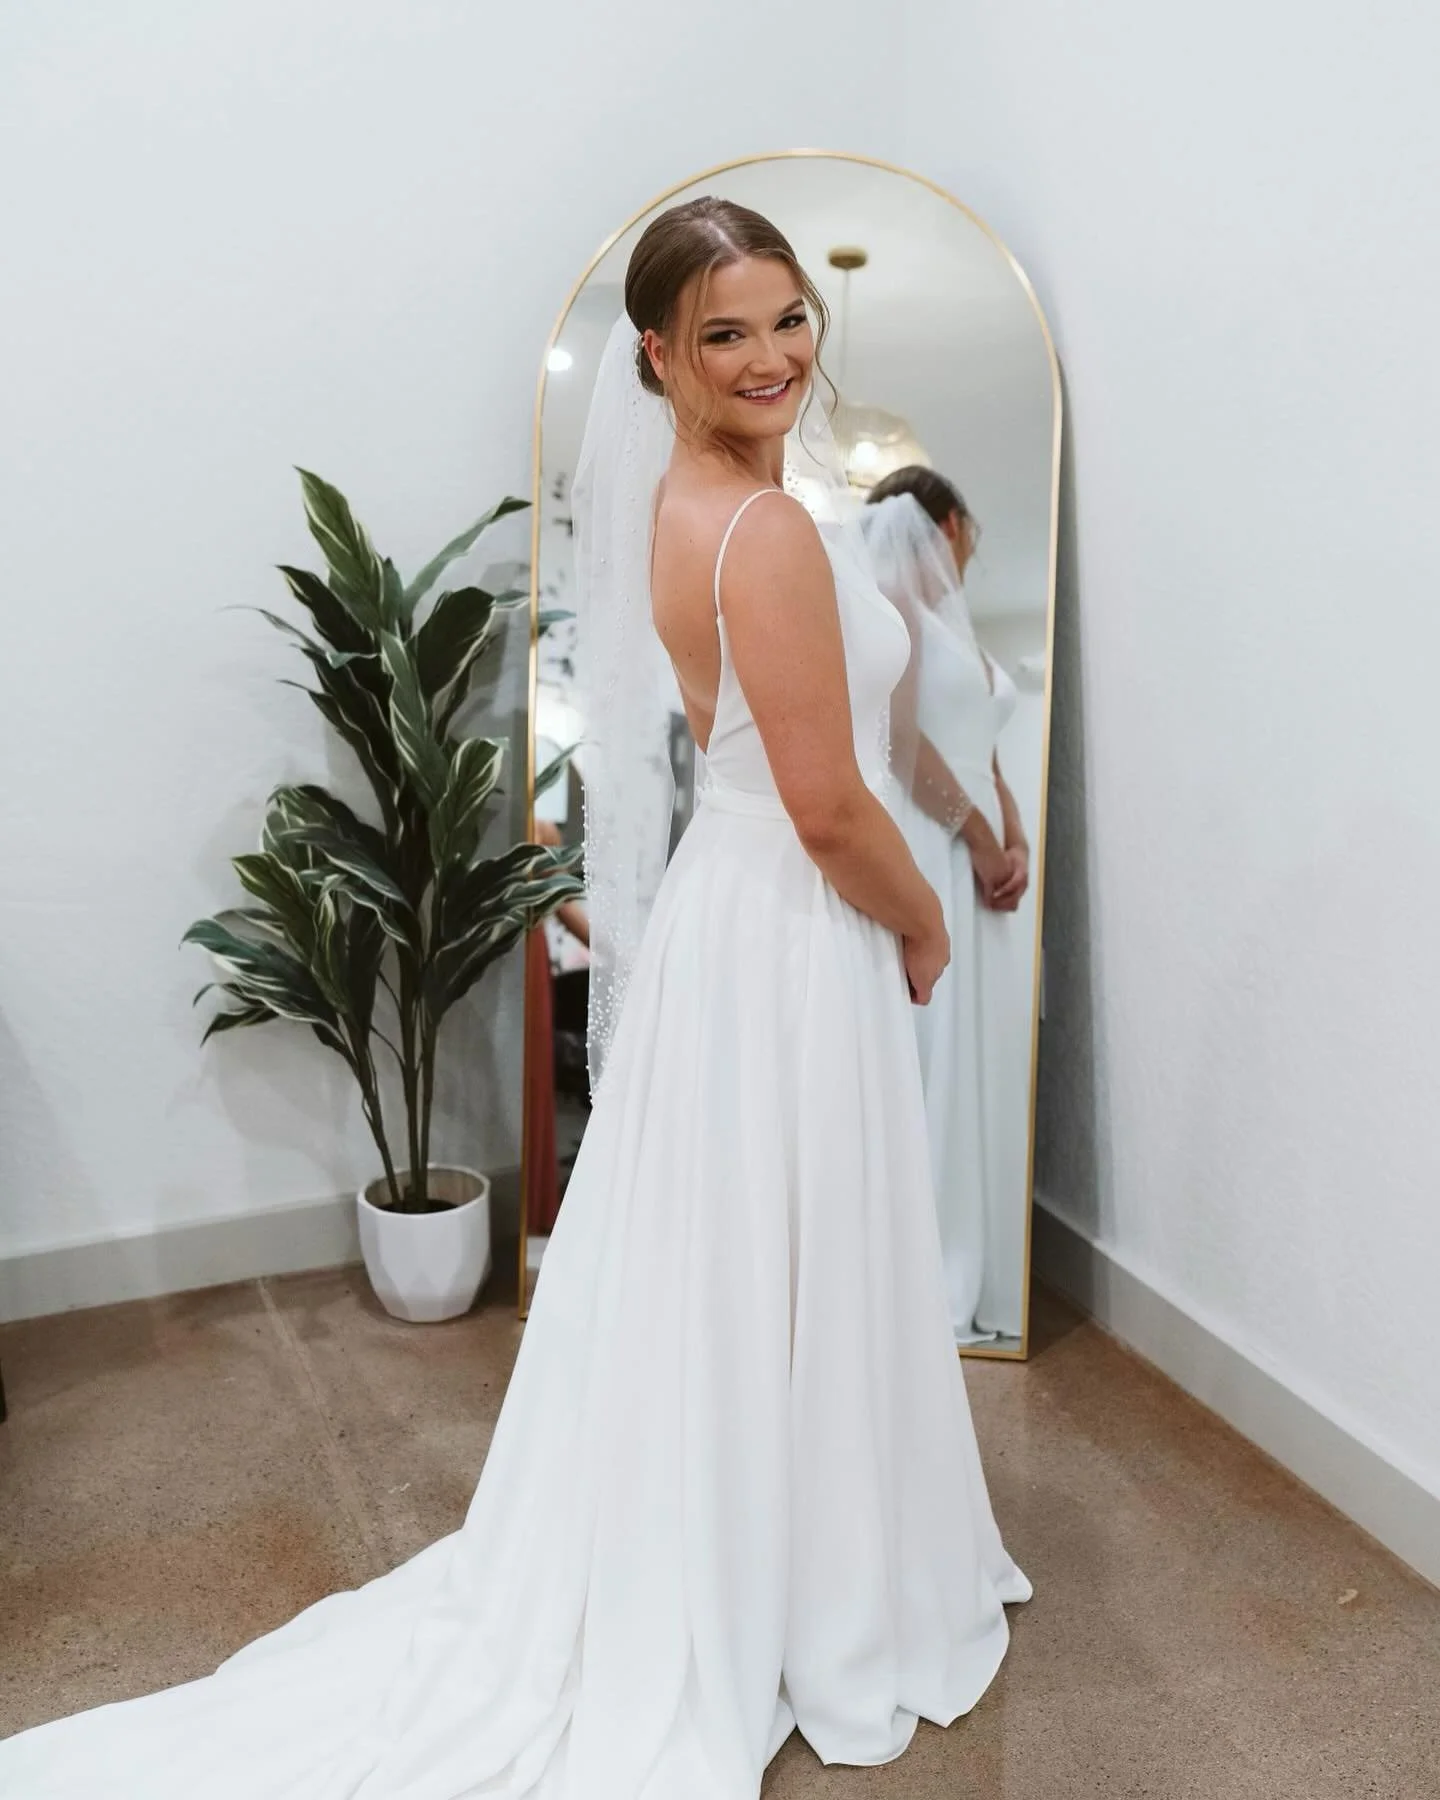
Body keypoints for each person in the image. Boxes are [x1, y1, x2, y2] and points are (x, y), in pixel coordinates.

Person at [0, 199, 1028, 1799]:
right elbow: (829, 805)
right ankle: (814, 1577)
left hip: (740, 909)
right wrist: (924, 925)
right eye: (726, 333)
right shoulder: (760, 532)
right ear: (659, 357)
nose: (772, 356)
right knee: (790, 1232)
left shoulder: (701, 503)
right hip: (792, 909)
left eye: (789, 319)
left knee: (744, 1246)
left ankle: (766, 1542)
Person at [862, 469, 1031, 1342]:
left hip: (980, 850)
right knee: (938, 1051)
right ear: (952, 526)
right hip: (935, 843)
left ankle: (982, 1252)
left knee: (981, 1048)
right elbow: (899, 744)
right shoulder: (894, 605)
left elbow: (983, 749)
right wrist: (977, 841)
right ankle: (930, 1267)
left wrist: (1016, 838)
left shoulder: (958, 629)